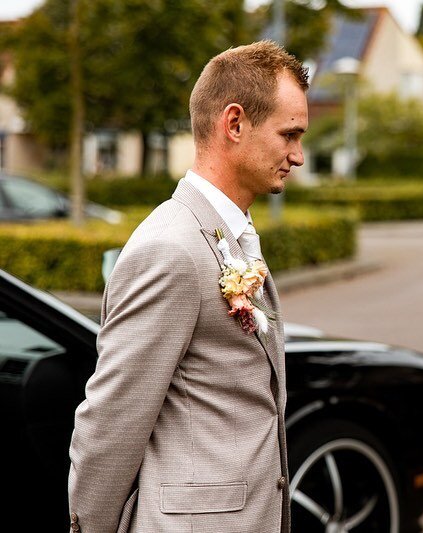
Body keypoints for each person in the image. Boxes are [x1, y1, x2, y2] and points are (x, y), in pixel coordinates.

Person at [68, 41, 308, 533]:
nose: (298, 156)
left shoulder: (228, 233)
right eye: (289, 135)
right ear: (234, 123)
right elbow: (112, 421)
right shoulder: (170, 249)